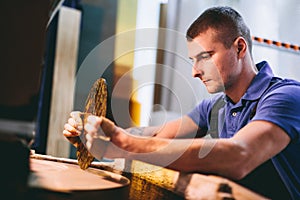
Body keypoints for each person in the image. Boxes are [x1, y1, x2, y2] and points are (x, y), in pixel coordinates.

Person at [63, 6, 300, 199]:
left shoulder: (284, 96)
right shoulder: (215, 107)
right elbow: (155, 136)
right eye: (193, 61)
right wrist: (96, 132)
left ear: (239, 48)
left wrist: (123, 143)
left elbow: (239, 155)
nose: (195, 72)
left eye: (205, 57)